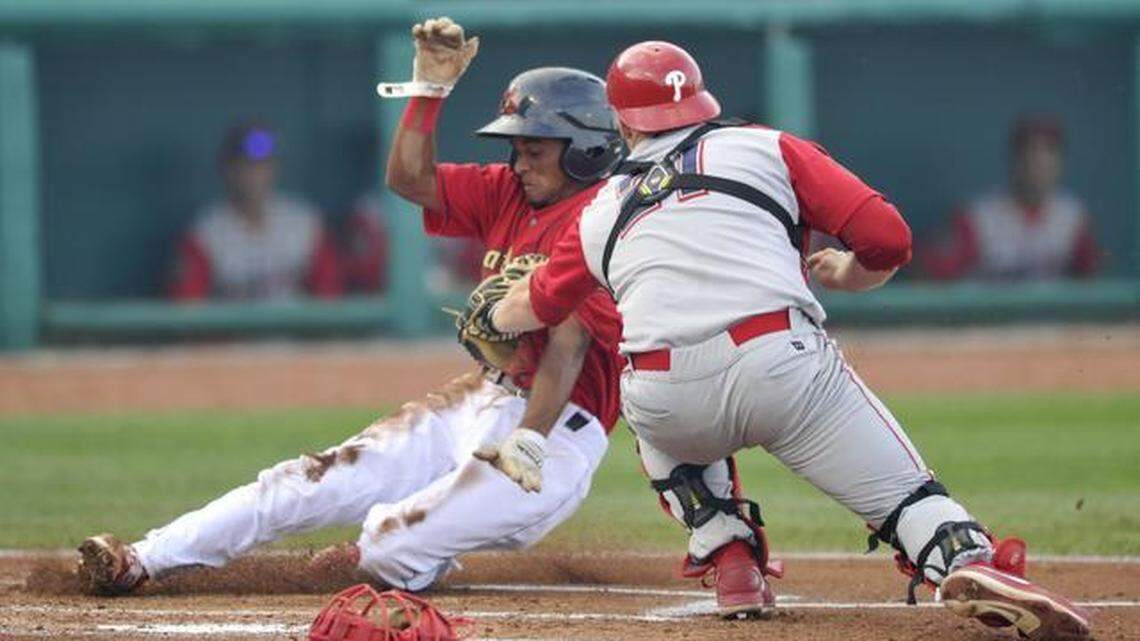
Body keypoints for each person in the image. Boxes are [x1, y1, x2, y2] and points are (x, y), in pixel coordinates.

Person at [488, 41, 1091, 639]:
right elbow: (890, 239)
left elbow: (531, 305)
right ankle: (963, 559)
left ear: (621, 122)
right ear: (699, 102)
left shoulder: (599, 208)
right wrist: (851, 275)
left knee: (648, 404)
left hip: (668, 396)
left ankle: (731, 560)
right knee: (908, 499)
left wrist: (492, 314)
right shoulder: (765, 146)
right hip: (781, 365)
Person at [77, 19, 627, 597]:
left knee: (391, 537)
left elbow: (569, 345)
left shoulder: (601, 220)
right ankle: (142, 557)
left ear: (587, 149)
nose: (518, 163)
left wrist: (530, 437)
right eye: (515, 149)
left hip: (555, 431)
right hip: (483, 394)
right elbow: (409, 180)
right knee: (308, 480)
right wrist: (427, 93)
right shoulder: (510, 192)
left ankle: (401, 558)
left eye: (533, 150)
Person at [169, 121, 343, 300]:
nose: (255, 174)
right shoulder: (206, 232)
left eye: (262, 165)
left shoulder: (304, 221)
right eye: (246, 165)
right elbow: (187, 308)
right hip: (234, 327)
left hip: (297, 327)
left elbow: (330, 297)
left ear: (275, 168)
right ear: (227, 170)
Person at [922, 116, 1099, 280]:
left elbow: (1093, 278)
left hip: (1051, 314)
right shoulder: (978, 217)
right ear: (1015, 160)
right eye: (1029, 153)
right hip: (991, 313)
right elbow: (929, 275)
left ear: (1059, 163)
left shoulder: (1072, 216)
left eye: (1048, 153)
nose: (1038, 163)